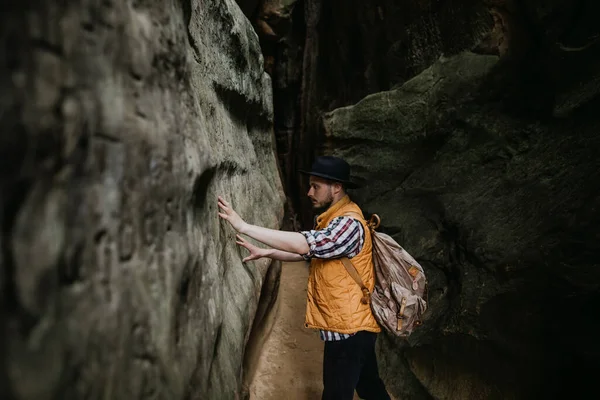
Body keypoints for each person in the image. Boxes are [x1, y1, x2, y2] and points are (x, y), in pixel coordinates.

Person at [218, 156, 390, 400]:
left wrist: (244, 226)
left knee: (336, 394)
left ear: (337, 187)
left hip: (349, 329)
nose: (309, 192)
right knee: (369, 385)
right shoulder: (334, 219)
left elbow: (303, 244)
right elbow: (313, 254)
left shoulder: (349, 223)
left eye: (316, 186)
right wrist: (269, 252)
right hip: (349, 324)